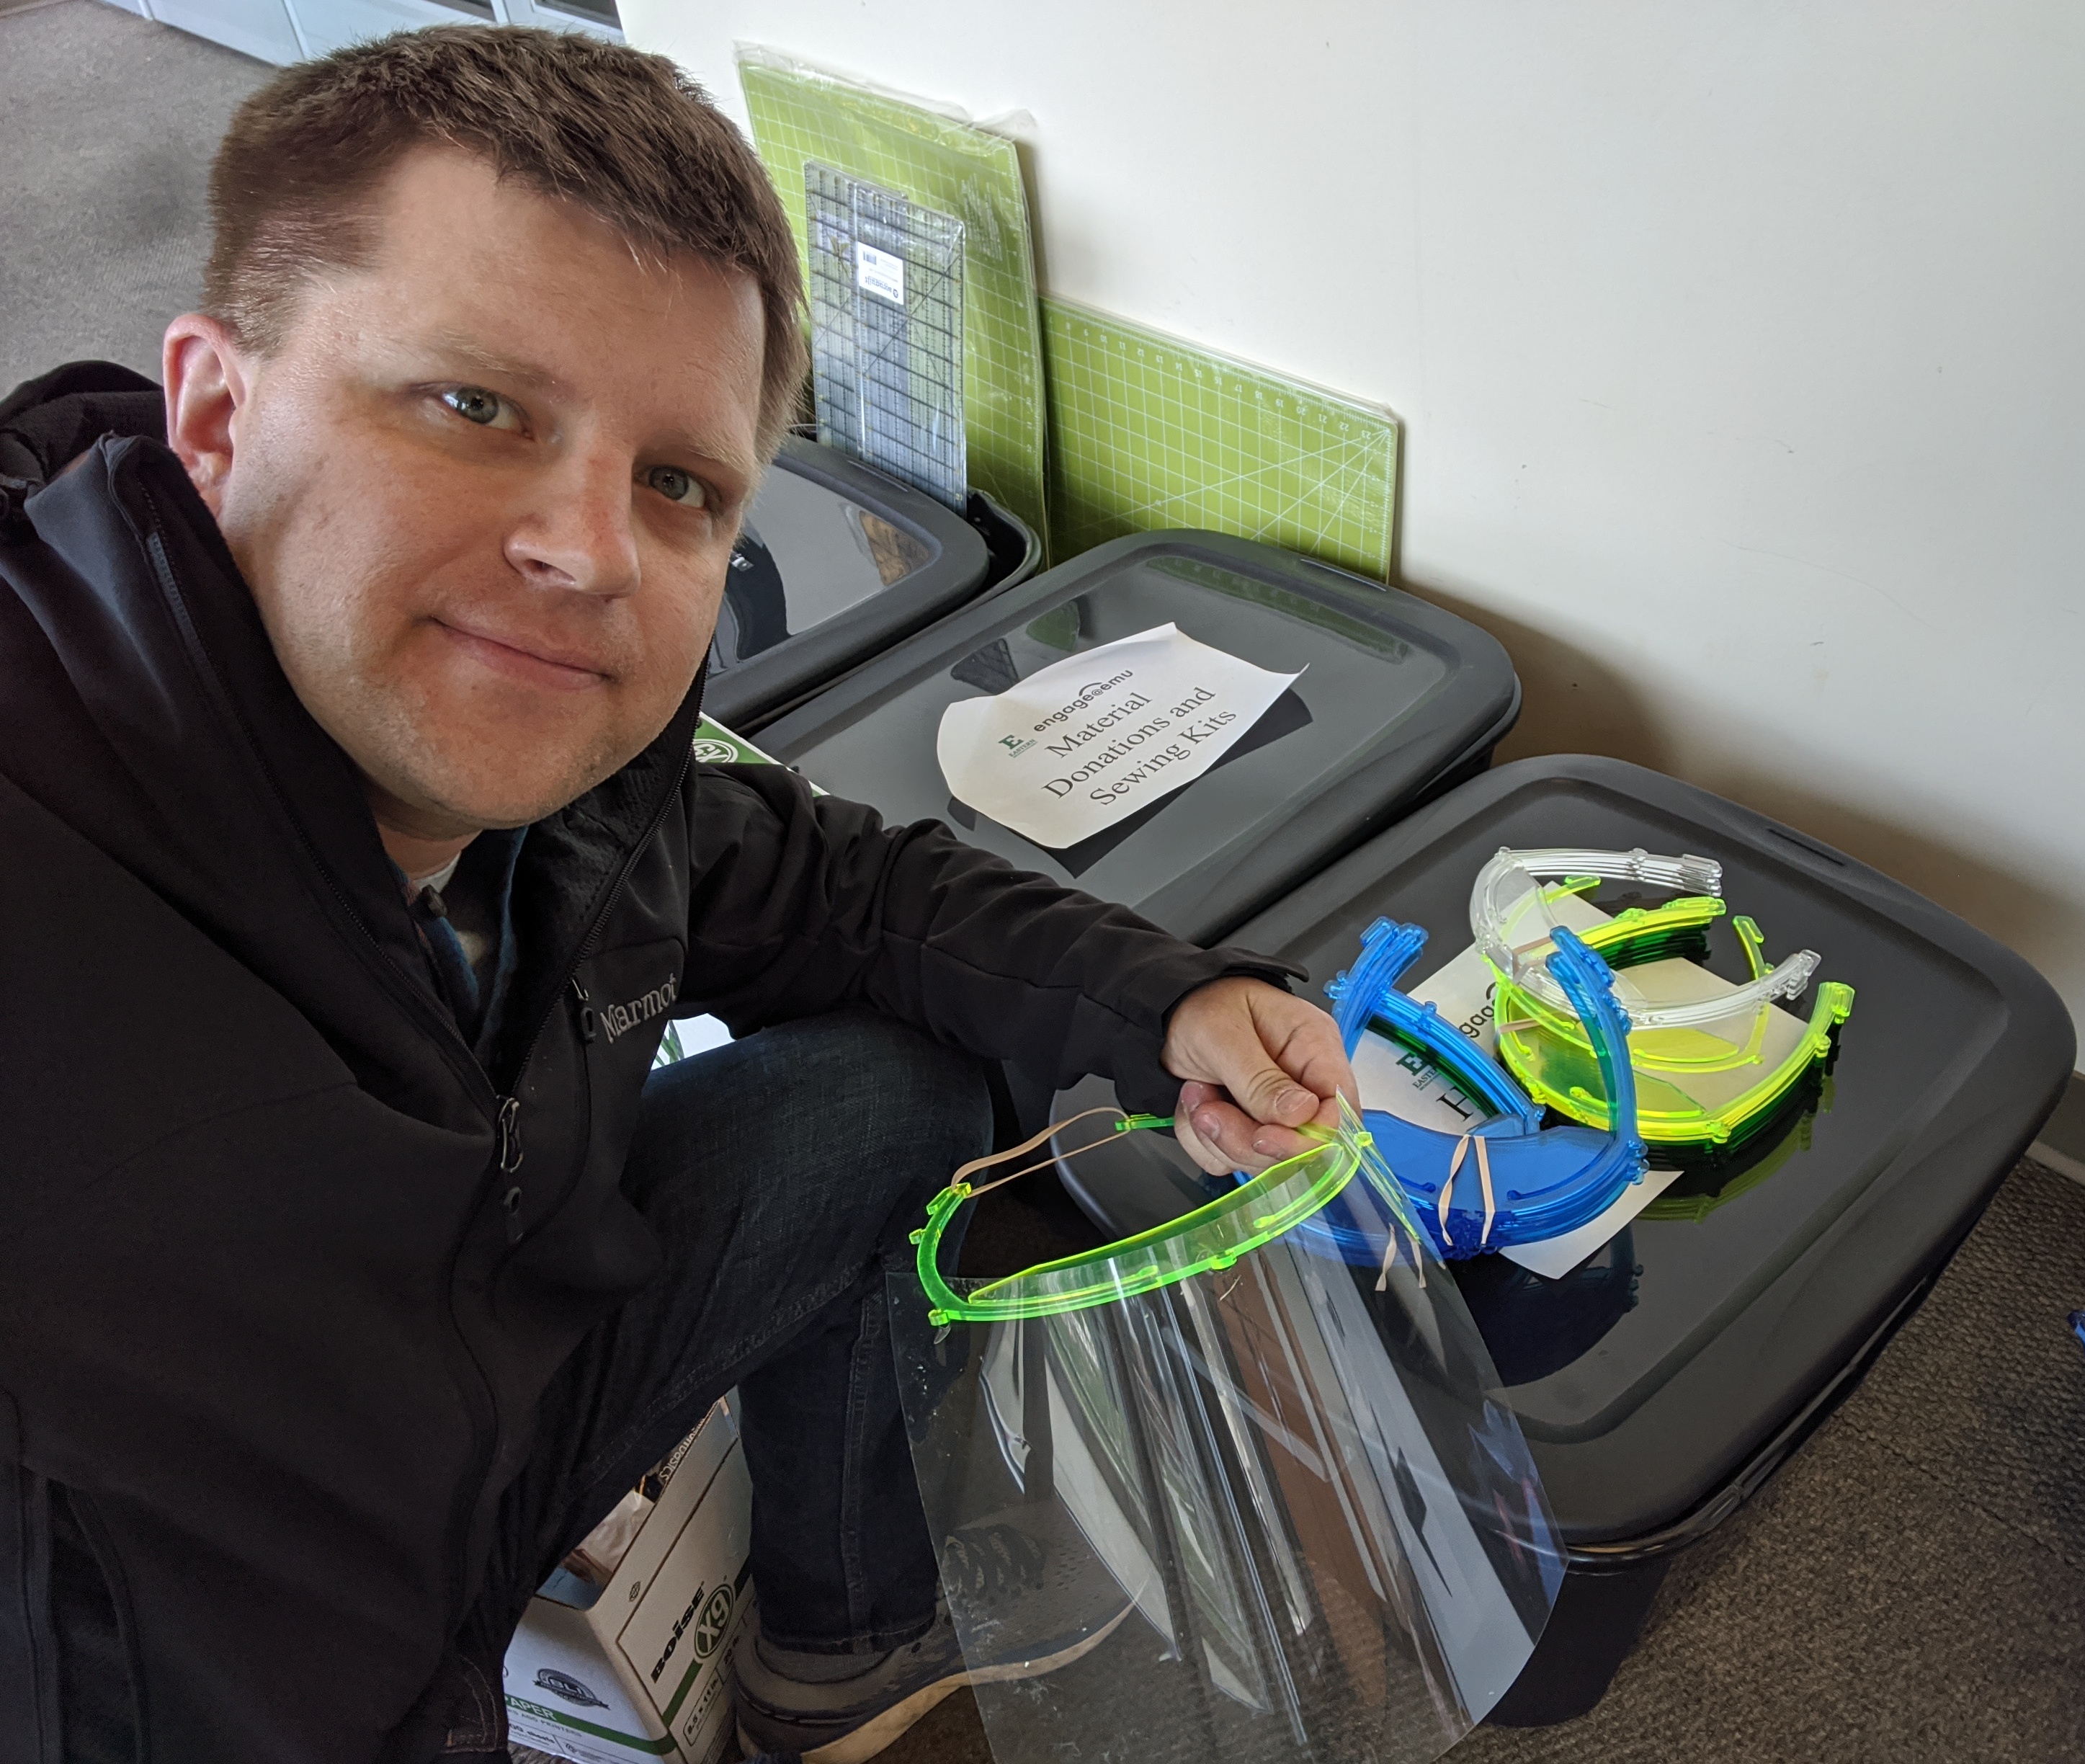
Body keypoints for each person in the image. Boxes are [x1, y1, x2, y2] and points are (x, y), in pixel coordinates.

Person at [0, 26, 1357, 1764]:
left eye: (679, 482)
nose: (589, 556)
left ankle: (838, 1652)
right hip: (236, 1668)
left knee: (902, 1079)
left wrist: (1169, 1000)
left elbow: (846, 895)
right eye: (474, 405)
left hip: (493, 1392)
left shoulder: (563, 768)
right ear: (212, 411)